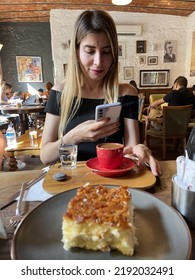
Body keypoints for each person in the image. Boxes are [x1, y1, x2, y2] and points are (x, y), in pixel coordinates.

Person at [40, 10, 161, 176]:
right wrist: (72, 137)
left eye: (106, 51)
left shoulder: (126, 93)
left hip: (114, 182)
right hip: (72, 181)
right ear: (76, 51)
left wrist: (140, 149)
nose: (98, 62)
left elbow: (132, 150)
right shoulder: (60, 93)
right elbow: (45, 157)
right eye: (89, 51)